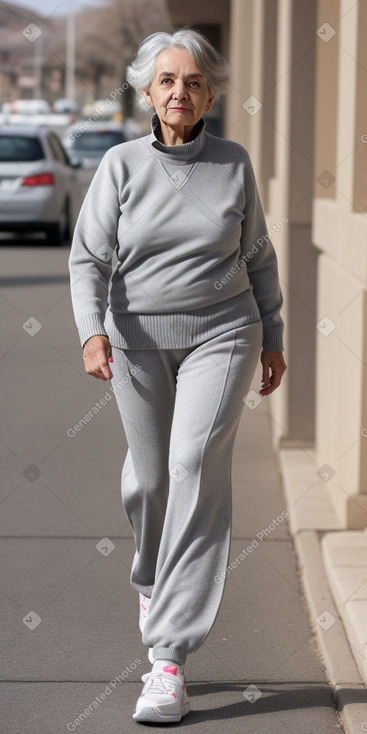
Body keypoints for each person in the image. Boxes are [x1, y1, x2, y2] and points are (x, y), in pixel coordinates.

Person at [68, 28, 287, 724]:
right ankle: (152, 578)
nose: (179, 92)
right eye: (167, 80)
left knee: (192, 464)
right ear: (145, 92)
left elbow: (257, 255)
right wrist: (91, 332)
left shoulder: (232, 163)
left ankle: (168, 659)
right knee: (151, 477)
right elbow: (88, 261)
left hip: (223, 332)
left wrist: (273, 335)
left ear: (210, 94)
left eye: (192, 81)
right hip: (135, 341)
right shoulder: (121, 165)